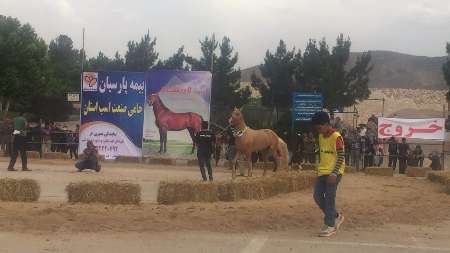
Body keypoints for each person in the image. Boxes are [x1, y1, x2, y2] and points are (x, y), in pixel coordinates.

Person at [311, 111, 345, 237]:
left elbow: (341, 157)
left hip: (335, 173)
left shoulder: (337, 137)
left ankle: (330, 225)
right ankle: (336, 216)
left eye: (319, 128)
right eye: (316, 128)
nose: (318, 130)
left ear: (326, 124)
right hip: (322, 171)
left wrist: (334, 173)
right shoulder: (321, 137)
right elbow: (323, 155)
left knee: (330, 197)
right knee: (317, 197)